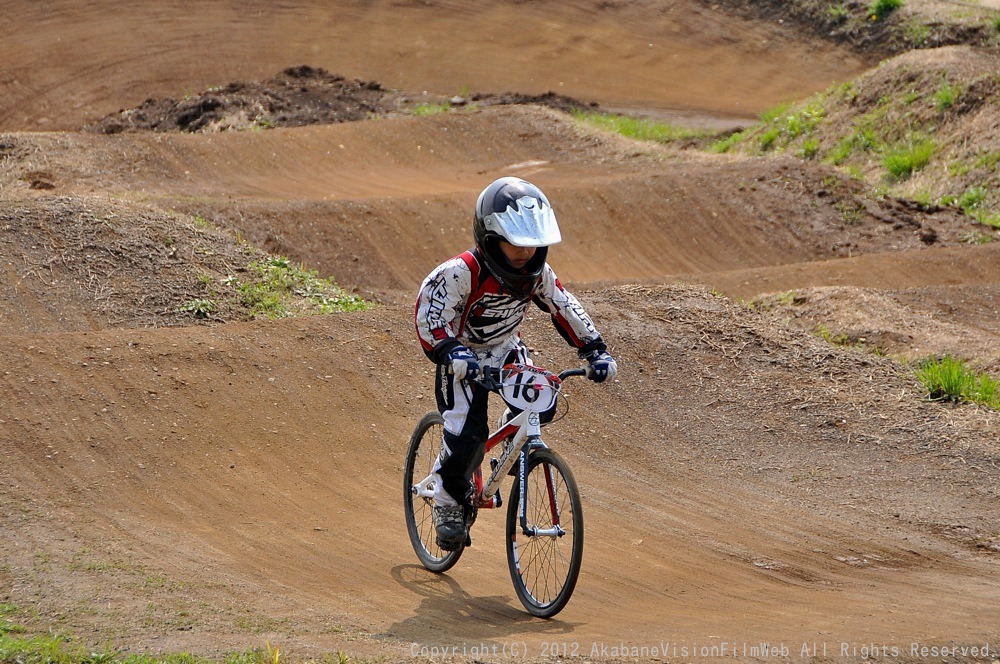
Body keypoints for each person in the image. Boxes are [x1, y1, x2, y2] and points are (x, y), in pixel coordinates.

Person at [413, 176, 618, 551]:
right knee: (467, 434)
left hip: (506, 349)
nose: (526, 253)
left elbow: (564, 306)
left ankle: (505, 451)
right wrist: (451, 352)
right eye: (515, 244)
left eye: (533, 243)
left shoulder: (538, 273)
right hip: (462, 356)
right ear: (490, 238)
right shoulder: (460, 272)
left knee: (545, 401)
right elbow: (430, 315)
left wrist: (595, 349)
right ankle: (446, 500)